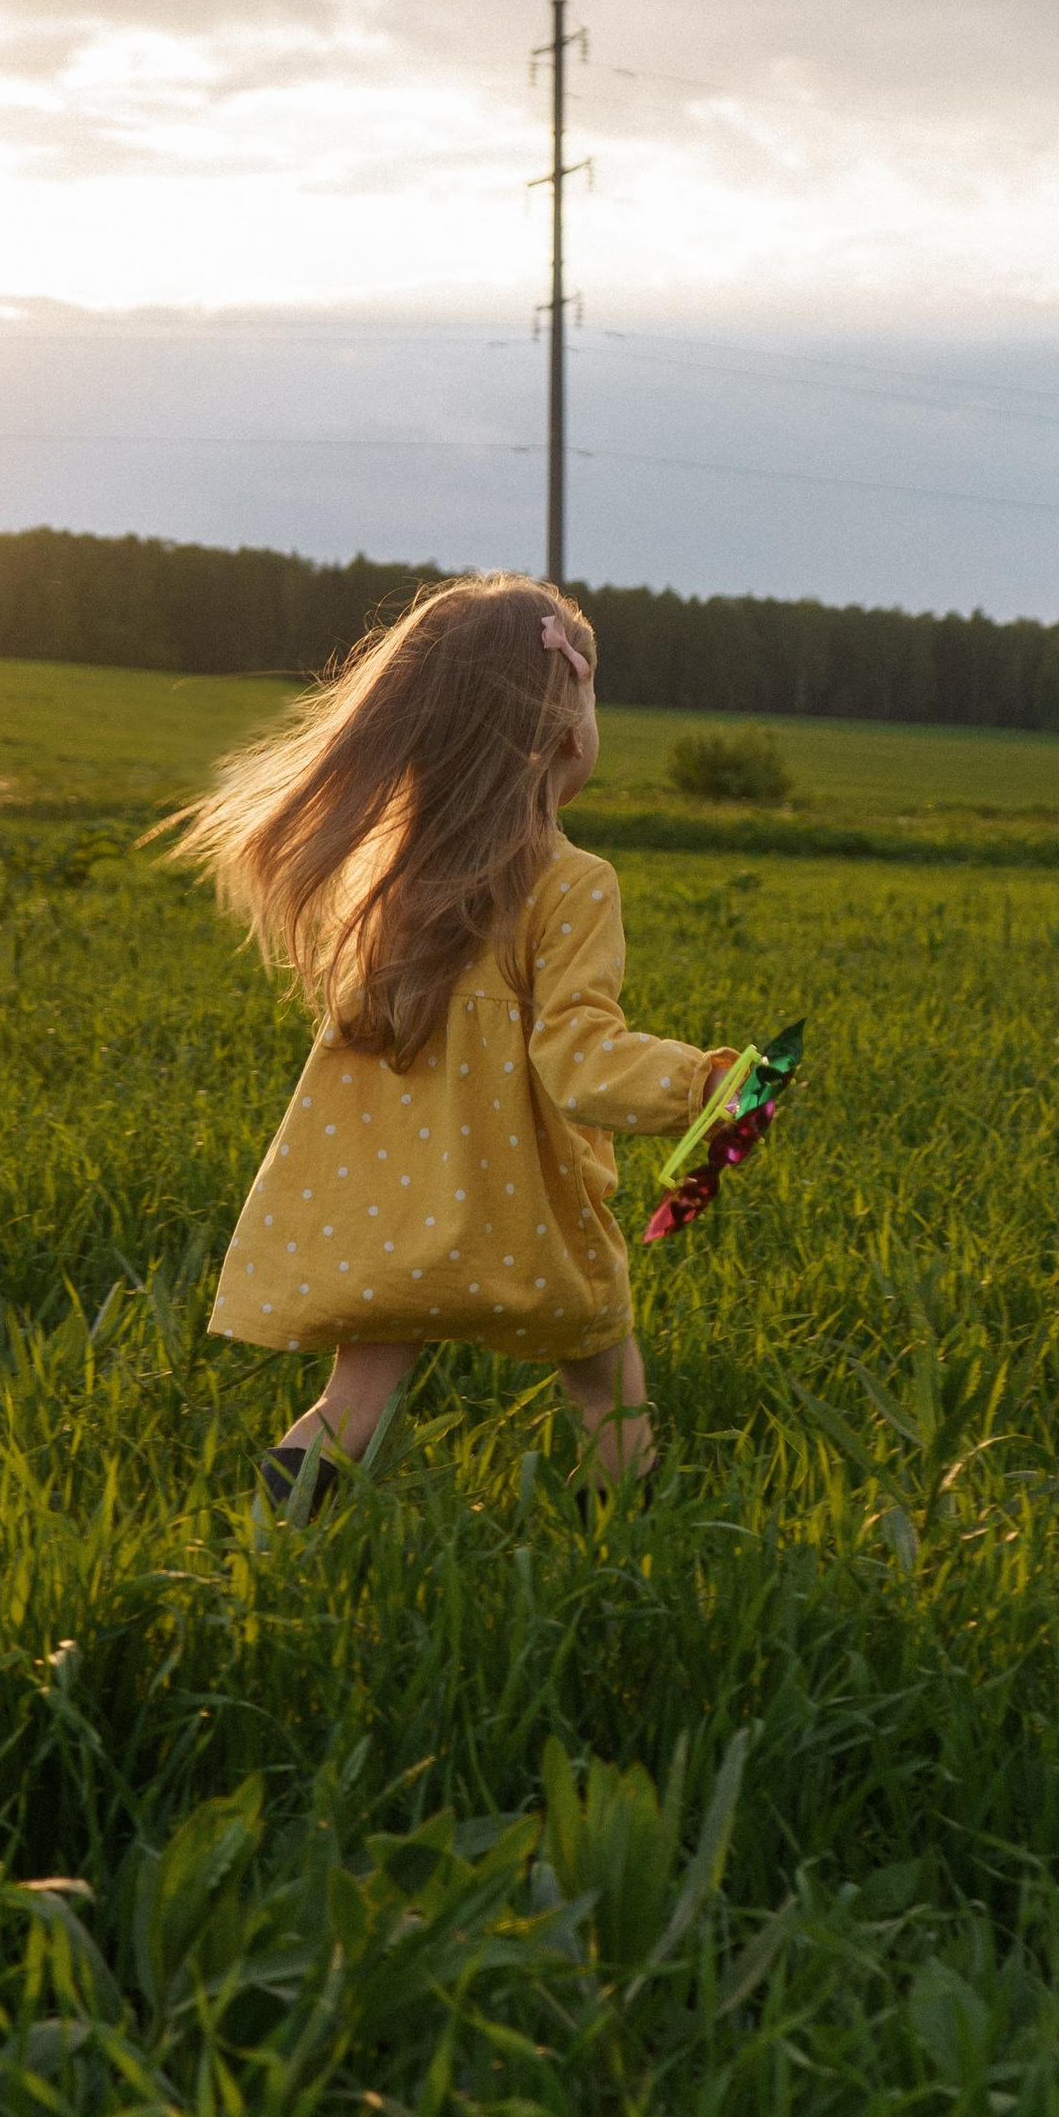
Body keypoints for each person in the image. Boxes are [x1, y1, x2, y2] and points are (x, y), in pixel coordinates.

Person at [166, 573, 735, 1500]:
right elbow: (582, 1064)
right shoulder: (571, 883)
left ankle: (274, 1536)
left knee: (355, 1396)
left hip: (391, 1214)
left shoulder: (385, 881)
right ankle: (624, 1540)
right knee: (605, 1382)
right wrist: (699, 1086)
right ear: (567, 729)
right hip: (526, 1223)